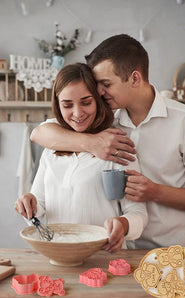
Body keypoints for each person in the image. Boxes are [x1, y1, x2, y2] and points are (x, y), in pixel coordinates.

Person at [30, 34, 185, 249]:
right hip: (115, 251)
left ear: (134, 79)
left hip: (168, 252)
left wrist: (154, 192)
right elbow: (40, 133)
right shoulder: (103, 117)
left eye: (105, 84)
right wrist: (90, 142)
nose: (99, 92)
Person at [15, 63, 148, 253]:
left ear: (98, 100)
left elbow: (138, 214)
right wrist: (29, 203)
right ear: (57, 105)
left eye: (86, 102)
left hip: (104, 258)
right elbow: (40, 206)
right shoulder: (51, 151)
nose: (77, 113)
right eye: (67, 105)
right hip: (59, 255)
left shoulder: (117, 147)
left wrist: (123, 224)